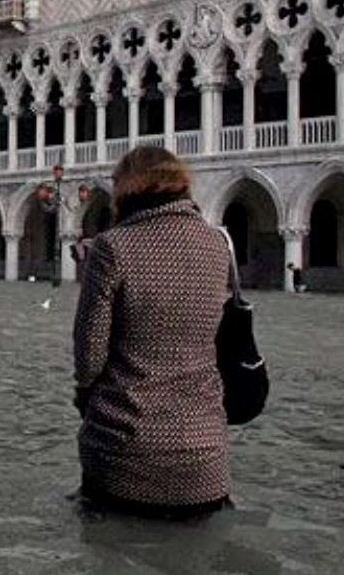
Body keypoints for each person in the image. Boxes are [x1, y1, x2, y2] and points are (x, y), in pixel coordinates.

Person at [72, 146, 232, 519]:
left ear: (126, 188)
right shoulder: (218, 245)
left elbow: (90, 355)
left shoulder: (113, 247)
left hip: (125, 454)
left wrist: (84, 396)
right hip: (205, 458)